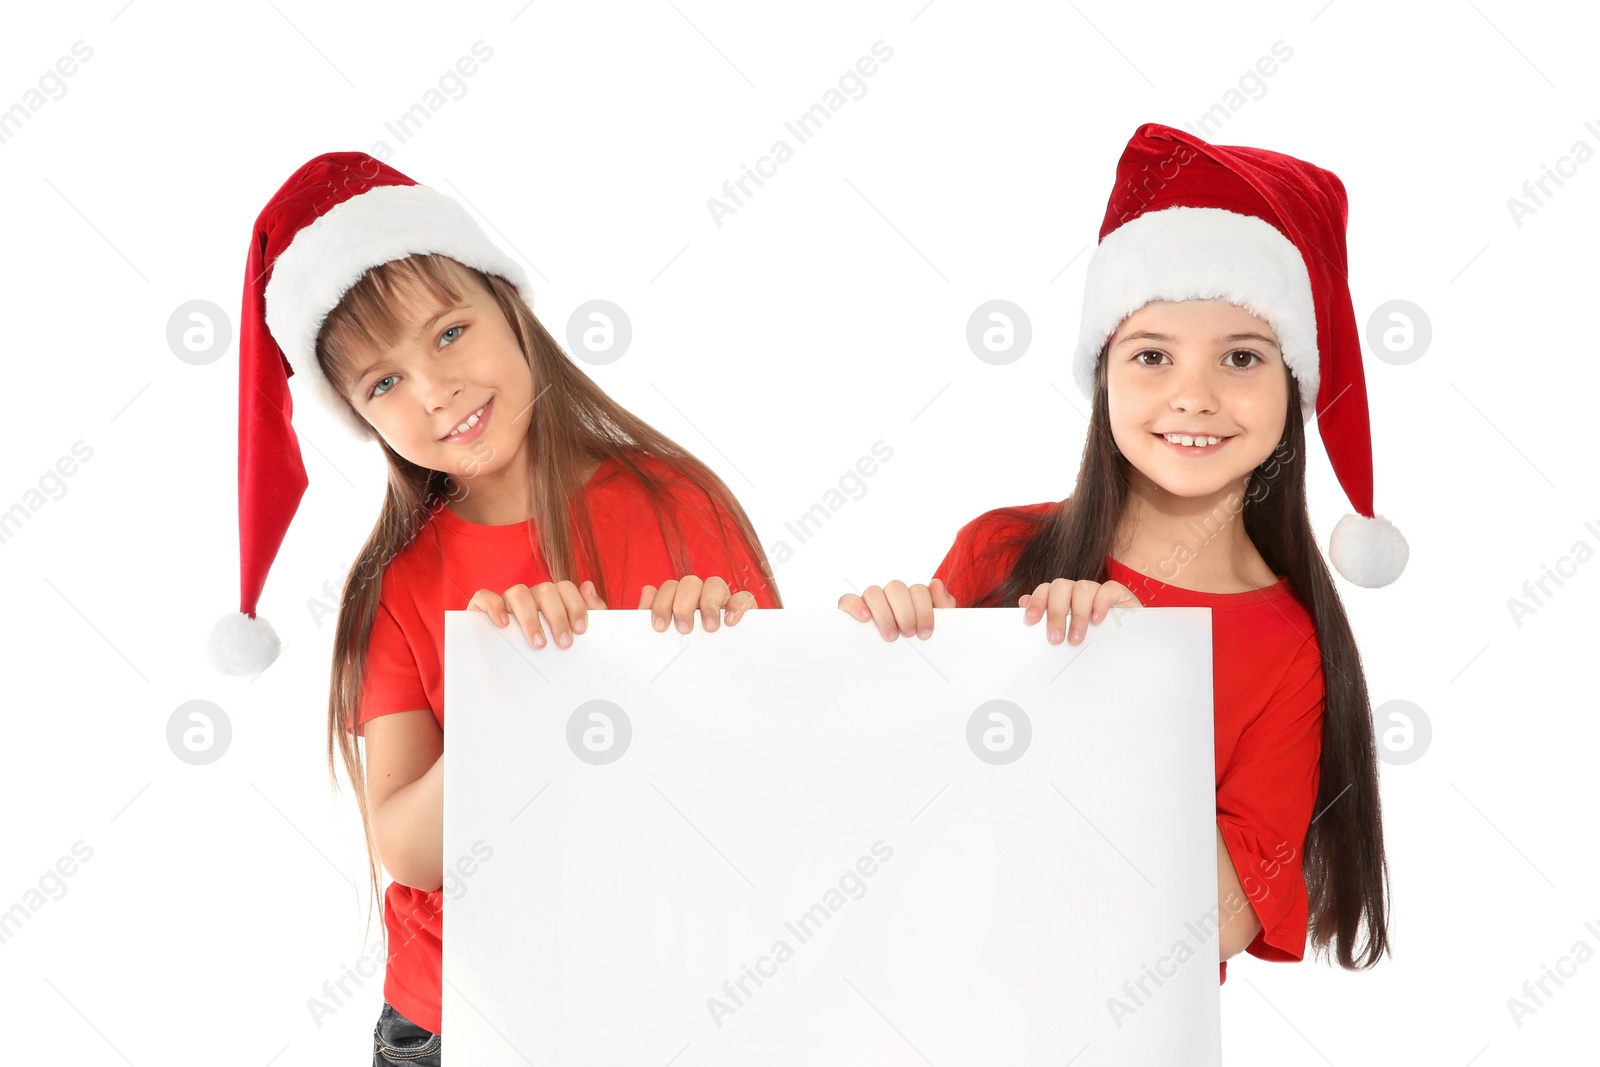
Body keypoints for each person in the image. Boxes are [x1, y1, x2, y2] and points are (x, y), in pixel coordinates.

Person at [207, 153, 781, 1065]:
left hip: (658, 996)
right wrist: (507, 699)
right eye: (382, 383)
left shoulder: (678, 509)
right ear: (358, 416)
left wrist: (701, 658)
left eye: (447, 333)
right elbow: (412, 849)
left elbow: (768, 780)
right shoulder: (393, 586)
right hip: (456, 1017)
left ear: (510, 309)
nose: (433, 391)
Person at [840, 122, 1408, 988]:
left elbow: (1223, 924)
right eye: (1152, 355)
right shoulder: (1000, 549)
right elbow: (897, 801)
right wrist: (880, 658)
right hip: (946, 1001)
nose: (1195, 395)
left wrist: (1127, 691)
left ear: (1291, 389)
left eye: (1242, 358)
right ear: (1104, 374)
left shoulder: (1289, 643)